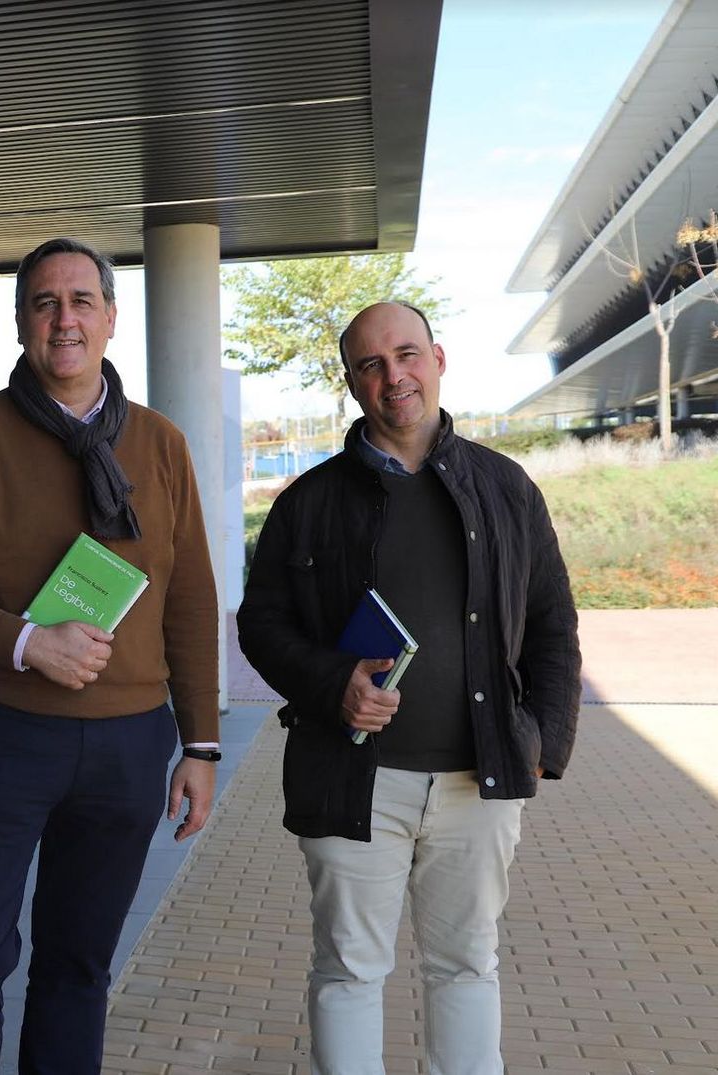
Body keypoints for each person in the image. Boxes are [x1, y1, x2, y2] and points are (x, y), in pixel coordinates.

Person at [0, 237, 220, 1074]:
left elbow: (187, 598)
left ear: (111, 318)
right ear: (21, 323)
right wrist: (27, 641)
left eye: (81, 301)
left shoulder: (161, 443)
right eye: (45, 303)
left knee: (77, 967)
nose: (64, 318)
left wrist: (202, 744)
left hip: (127, 744)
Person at [237, 301, 582, 1075]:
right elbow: (261, 624)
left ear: (438, 358)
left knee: (466, 966)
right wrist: (333, 682)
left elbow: (555, 626)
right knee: (350, 971)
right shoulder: (309, 501)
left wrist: (538, 744)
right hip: (355, 777)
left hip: (479, 779)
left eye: (407, 354)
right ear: (353, 381)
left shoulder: (507, 489)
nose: (394, 376)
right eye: (371, 363)